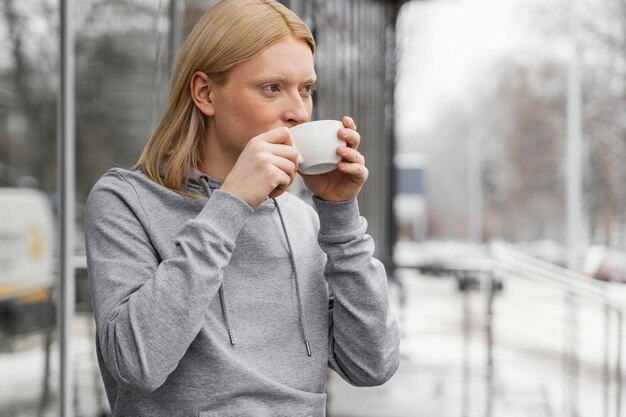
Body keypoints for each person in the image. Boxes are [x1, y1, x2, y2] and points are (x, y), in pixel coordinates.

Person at [84, 0, 400, 415]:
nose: (298, 111)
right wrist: (230, 205)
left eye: (306, 89)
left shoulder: (303, 219)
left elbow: (372, 364)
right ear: (205, 93)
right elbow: (136, 362)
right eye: (272, 87)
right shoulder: (125, 202)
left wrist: (339, 214)